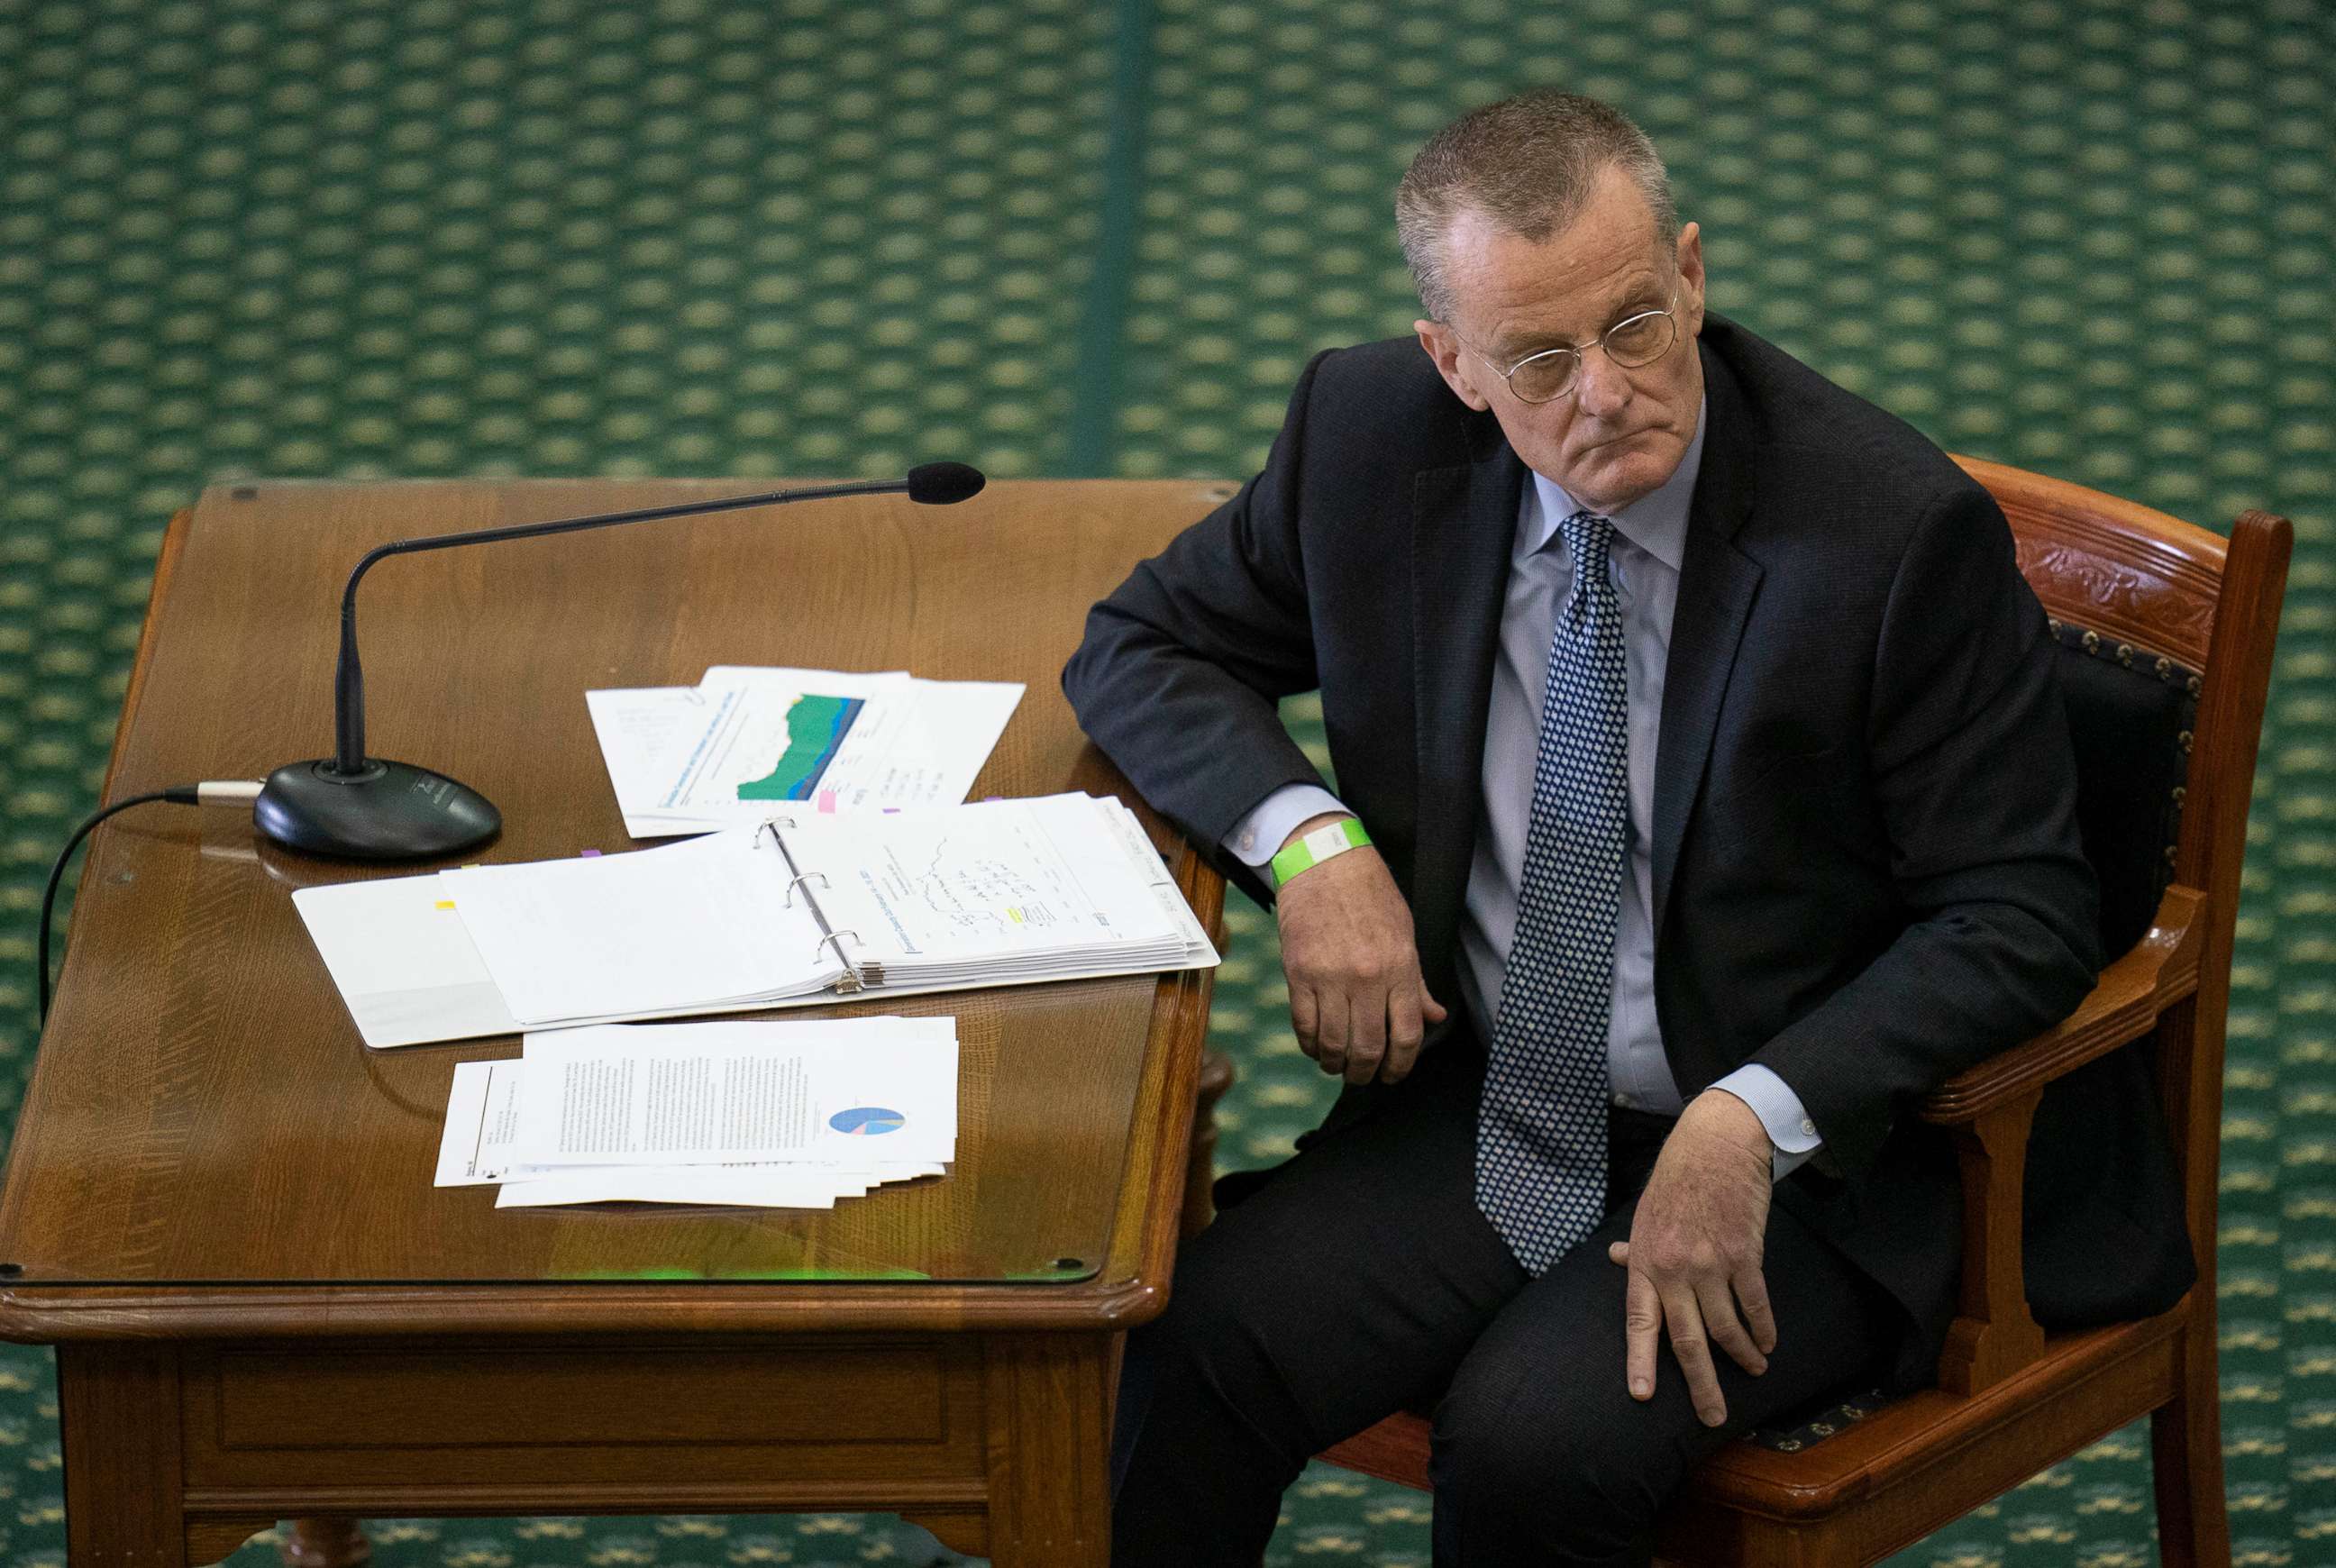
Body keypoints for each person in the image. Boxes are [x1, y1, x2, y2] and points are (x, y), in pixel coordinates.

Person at [1063, 90, 2195, 1566]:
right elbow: (1143, 646)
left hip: (1818, 1155)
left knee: (1537, 1442)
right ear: (1453, 367)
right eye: (1539, 359)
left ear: (1696, 275)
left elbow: (2018, 909)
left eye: (1638, 325)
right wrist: (1310, 844)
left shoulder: (1890, 540)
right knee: (1195, 1346)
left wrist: (1755, 1113)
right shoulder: (1365, 440)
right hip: (1503, 1096)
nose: (1604, 392)